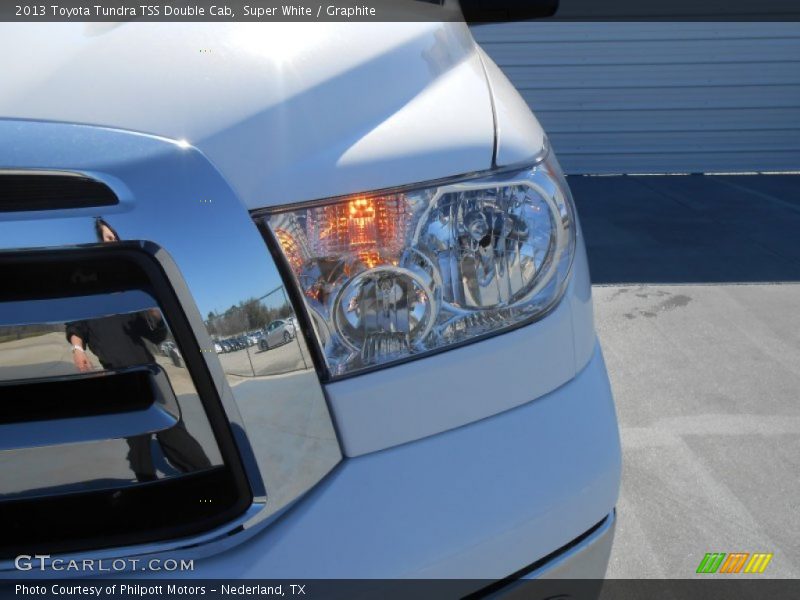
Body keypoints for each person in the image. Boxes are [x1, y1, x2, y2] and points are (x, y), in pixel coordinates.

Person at [67, 218, 211, 482]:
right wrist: (78, 349)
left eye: (116, 238)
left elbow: (156, 335)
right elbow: (76, 325)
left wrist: (155, 316)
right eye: (109, 238)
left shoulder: (128, 290)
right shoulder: (89, 291)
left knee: (174, 433)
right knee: (138, 447)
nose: (114, 242)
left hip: (148, 374)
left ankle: (207, 485)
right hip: (118, 379)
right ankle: (148, 492)